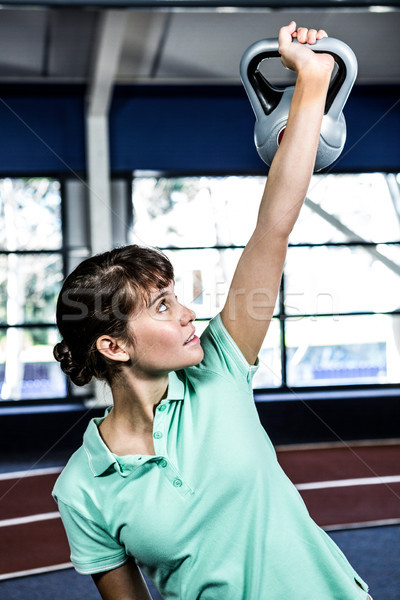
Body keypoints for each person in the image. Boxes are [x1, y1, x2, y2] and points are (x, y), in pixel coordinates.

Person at [52, 22, 372, 600]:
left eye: (176, 295)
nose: (185, 313)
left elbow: (273, 225)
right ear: (114, 346)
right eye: (161, 304)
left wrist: (312, 81)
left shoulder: (219, 372)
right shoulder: (82, 487)